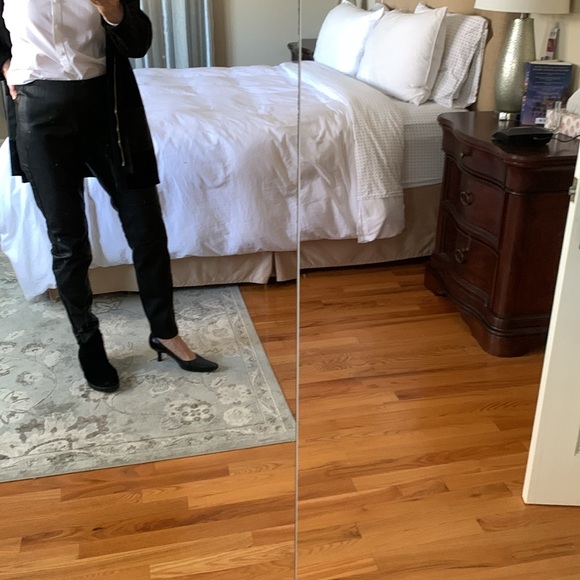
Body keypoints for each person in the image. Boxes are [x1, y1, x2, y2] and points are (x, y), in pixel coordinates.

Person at [0, 0, 218, 393]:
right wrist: (4, 64)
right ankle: (89, 341)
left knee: (147, 229)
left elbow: (138, 43)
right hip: (40, 114)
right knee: (68, 242)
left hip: (109, 110)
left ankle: (165, 334)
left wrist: (111, 6)